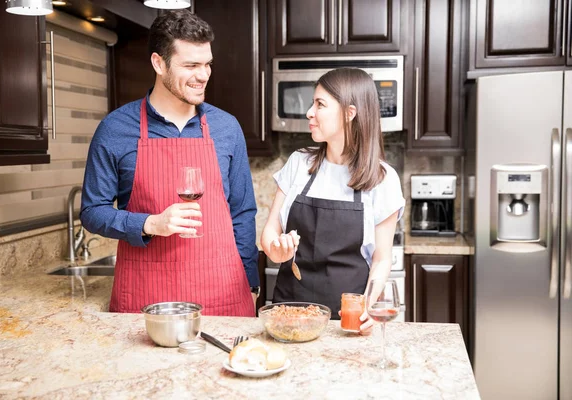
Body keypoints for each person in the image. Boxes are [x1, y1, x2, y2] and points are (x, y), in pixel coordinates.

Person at [80, 10, 259, 316]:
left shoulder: (227, 128)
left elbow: (242, 212)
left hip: (222, 293)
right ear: (158, 63)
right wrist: (149, 223)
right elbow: (92, 212)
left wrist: (251, 281)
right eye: (190, 65)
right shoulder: (115, 129)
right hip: (146, 297)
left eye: (207, 64)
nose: (202, 75)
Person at [261, 68, 405, 332]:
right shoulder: (298, 163)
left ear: (349, 114)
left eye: (320, 104)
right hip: (289, 313)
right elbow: (270, 231)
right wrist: (275, 249)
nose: (309, 113)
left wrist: (368, 306)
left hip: (346, 320)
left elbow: (382, 259)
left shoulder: (383, 178)